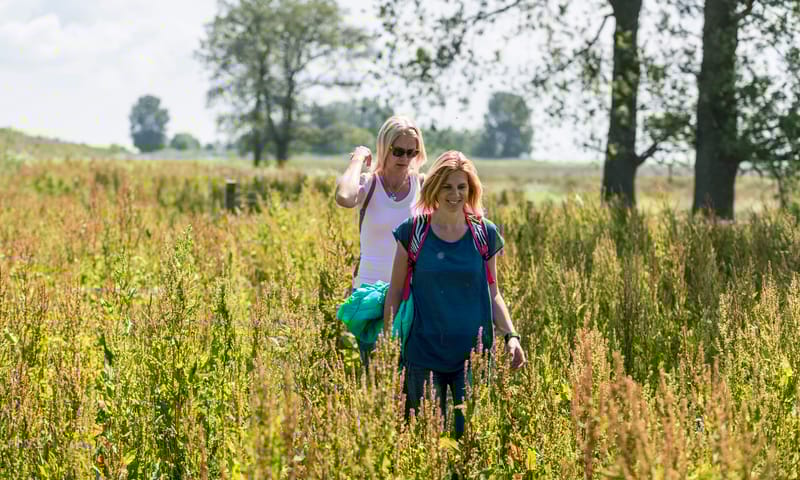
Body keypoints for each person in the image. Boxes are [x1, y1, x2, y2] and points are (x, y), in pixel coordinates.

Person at [383, 150, 526, 439]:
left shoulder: (484, 233)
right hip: (422, 355)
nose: (454, 194)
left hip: (473, 357)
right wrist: (387, 345)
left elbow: (493, 292)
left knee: (469, 442)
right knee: (426, 441)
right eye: (447, 186)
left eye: (462, 187)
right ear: (434, 187)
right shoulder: (413, 232)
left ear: (471, 190)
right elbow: (395, 291)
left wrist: (511, 337)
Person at [335, 115, 428, 363]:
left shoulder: (422, 186)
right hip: (370, 293)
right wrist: (357, 159)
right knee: (375, 374)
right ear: (384, 149)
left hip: (411, 293)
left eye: (412, 152)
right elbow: (344, 197)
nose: (405, 159)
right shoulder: (369, 185)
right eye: (398, 151)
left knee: (410, 376)